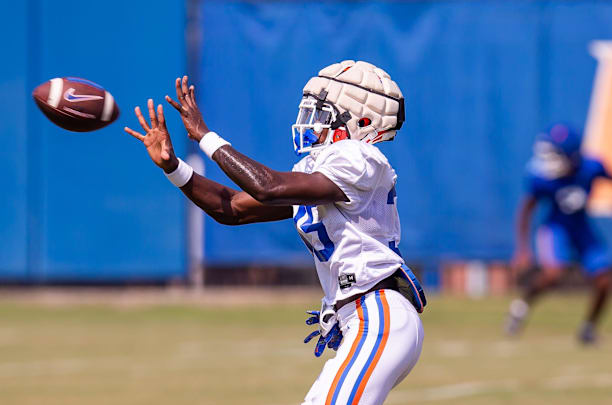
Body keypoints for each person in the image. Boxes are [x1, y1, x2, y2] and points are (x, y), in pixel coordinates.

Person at [124, 60, 426, 405]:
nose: (311, 122)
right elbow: (233, 208)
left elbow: (268, 187)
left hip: (377, 315)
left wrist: (205, 136)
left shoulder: (360, 157)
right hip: (362, 319)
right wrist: (173, 167)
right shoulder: (320, 170)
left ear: (362, 122)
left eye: (324, 114)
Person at [506, 123, 612, 345]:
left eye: (555, 155)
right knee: (554, 273)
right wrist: (522, 248)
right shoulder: (541, 178)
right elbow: (526, 210)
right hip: (556, 227)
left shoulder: (591, 167)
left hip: (581, 228)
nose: (549, 161)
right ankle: (522, 306)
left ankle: (589, 328)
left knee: (604, 281)